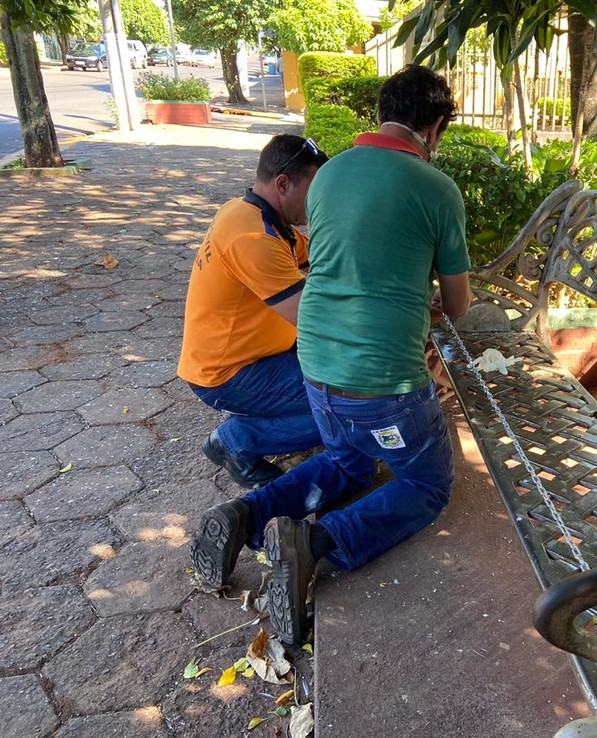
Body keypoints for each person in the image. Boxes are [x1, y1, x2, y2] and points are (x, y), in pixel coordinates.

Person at [189, 65, 473, 644]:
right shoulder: (437, 187)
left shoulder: (330, 174)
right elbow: (461, 305)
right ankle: (316, 544)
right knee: (426, 484)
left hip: (315, 364)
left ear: (380, 115)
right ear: (436, 126)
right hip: (383, 380)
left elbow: (339, 264)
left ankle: (245, 515)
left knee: (349, 461)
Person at [177, 134, 329, 488]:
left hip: (250, 354)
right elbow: (316, 320)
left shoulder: (250, 212)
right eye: (315, 190)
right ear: (283, 184)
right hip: (229, 373)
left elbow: (321, 254)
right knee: (340, 404)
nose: (319, 201)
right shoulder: (253, 238)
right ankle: (236, 441)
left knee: (334, 388)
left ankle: (259, 421)